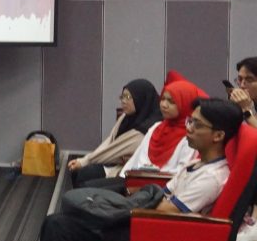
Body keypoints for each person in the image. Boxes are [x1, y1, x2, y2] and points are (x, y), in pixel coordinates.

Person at [11, 98, 243, 241]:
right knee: (55, 222)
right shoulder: (197, 165)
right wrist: (145, 200)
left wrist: (137, 204)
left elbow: (165, 210)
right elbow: (163, 195)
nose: (189, 128)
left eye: (197, 124)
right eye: (190, 121)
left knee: (61, 228)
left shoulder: (211, 178)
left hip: (154, 238)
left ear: (218, 135)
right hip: (147, 227)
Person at [77, 79, 206, 193]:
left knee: (88, 193)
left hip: (155, 188)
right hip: (135, 178)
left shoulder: (189, 137)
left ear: (184, 104)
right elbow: (137, 158)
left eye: (171, 102)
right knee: (85, 188)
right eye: (163, 99)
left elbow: (179, 176)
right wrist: (124, 178)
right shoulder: (157, 127)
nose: (164, 105)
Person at [67, 79, 162, 188]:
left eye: (128, 97)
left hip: (130, 173)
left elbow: (115, 150)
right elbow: (110, 142)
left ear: (141, 99)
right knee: (79, 173)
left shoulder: (147, 128)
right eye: (122, 97)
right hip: (115, 163)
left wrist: (85, 161)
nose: (123, 101)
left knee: (85, 181)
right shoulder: (126, 117)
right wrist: (85, 160)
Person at [228, 57, 257, 241]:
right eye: (239, 79)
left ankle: (255, 220)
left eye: (249, 80)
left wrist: (246, 110)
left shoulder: (249, 107)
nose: (242, 85)